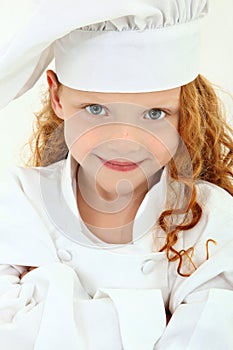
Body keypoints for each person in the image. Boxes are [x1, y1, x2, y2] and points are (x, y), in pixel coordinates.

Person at [0, 0, 233, 349]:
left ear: (184, 109)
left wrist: (52, 306)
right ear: (56, 97)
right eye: (96, 109)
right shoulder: (16, 200)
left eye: (155, 113)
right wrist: (155, 316)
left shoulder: (213, 220)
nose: (125, 141)